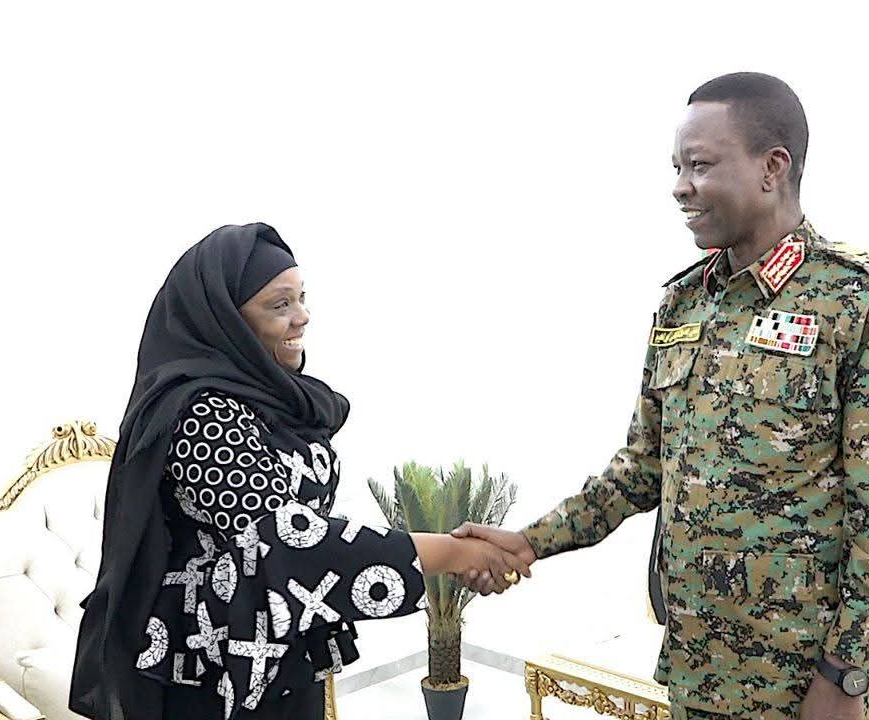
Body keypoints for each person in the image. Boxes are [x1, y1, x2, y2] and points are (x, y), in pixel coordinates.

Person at [453, 72, 869, 720]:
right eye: (677, 167)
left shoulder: (859, 301)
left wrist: (844, 674)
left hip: (802, 689)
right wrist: (528, 542)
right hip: (696, 677)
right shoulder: (683, 303)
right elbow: (640, 469)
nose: (681, 186)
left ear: (772, 168)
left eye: (700, 165)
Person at [69, 223, 529, 720]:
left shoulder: (273, 399)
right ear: (226, 320)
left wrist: (458, 554)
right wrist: (455, 553)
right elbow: (288, 537)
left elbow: (304, 525)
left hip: (281, 646)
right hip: (215, 670)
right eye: (280, 304)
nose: (303, 317)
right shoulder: (200, 413)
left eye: (302, 298)